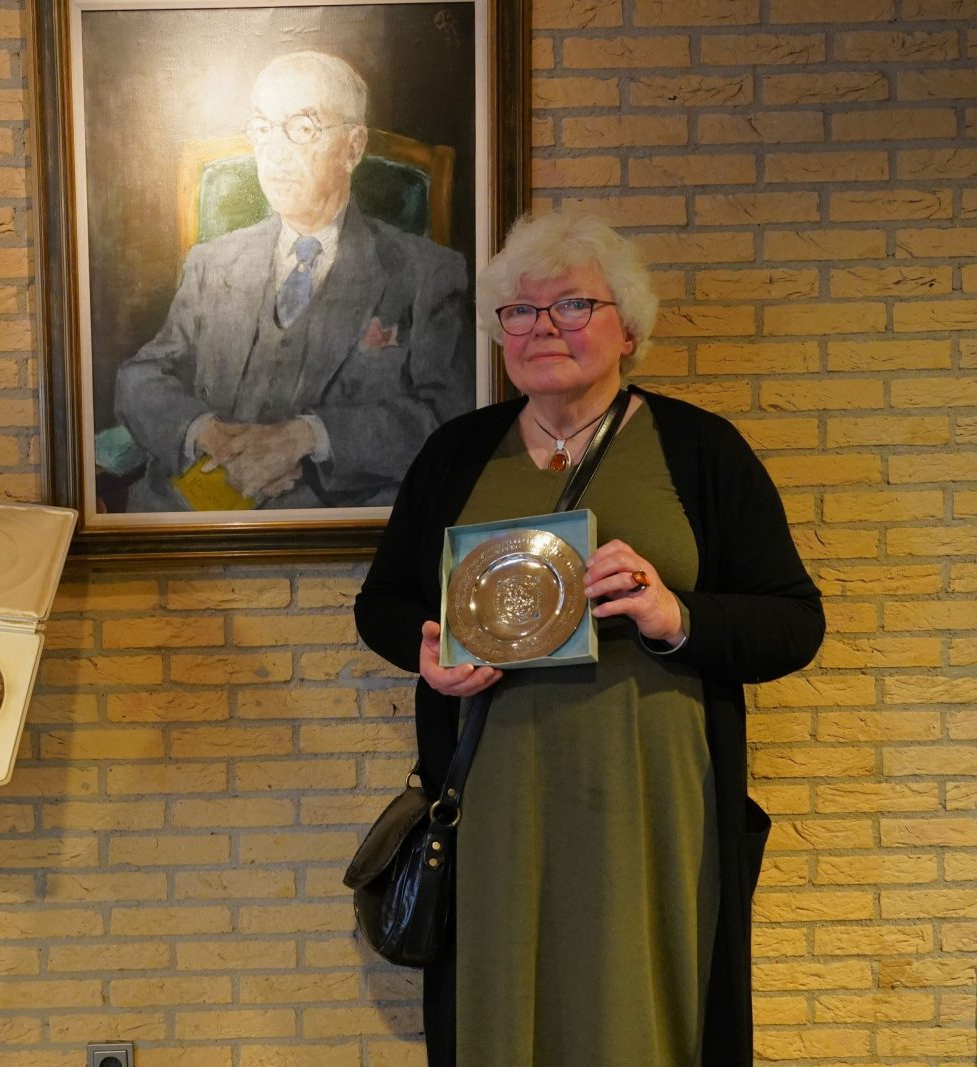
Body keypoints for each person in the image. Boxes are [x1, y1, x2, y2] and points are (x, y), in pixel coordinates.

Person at [354, 211, 824, 1067]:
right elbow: (382, 602)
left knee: (645, 1005)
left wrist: (674, 615)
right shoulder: (456, 453)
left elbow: (794, 622)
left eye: (572, 305)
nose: (543, 327)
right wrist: (425, 650)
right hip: (493, 800)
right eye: (520, 311)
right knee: (497, 1007)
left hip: (654, 800)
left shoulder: (700, 450)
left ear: (628, 328)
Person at [114, 50, 473, 512]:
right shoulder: (212, 263)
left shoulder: (426, 272)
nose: (276, 153)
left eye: (303, 128)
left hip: (330, 517)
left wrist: (310, 437)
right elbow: (141, 376)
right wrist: (202, 430)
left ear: (353, 147)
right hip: (189, 512)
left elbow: (451, 415)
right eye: (263, 129)